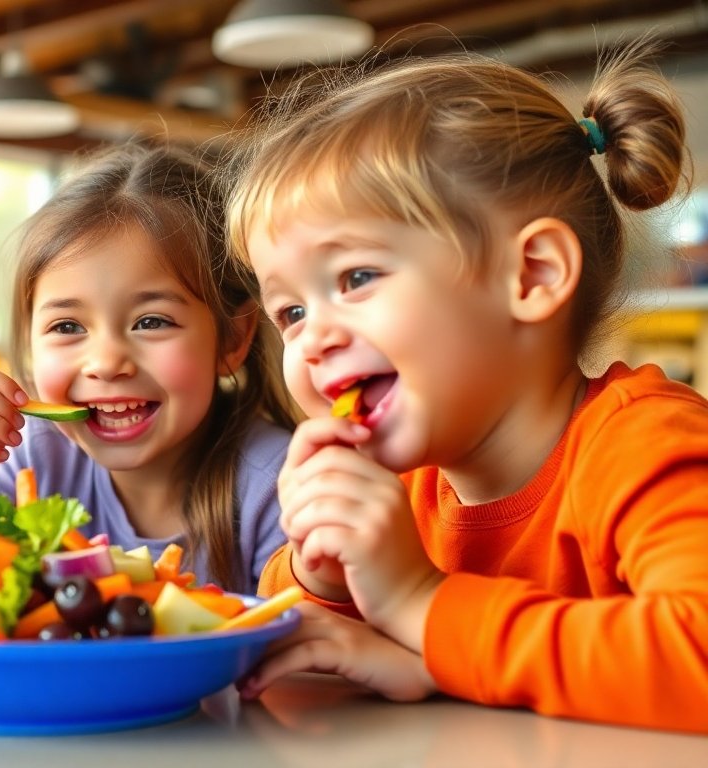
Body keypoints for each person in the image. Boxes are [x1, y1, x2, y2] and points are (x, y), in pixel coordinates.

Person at [228, 43, 708, 733]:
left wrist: (421, 605)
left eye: (356, 278)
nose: (311, 339)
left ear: (533, 275)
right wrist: (321, 573)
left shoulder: (643, 445)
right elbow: (304, 663)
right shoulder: (402, 488)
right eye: (291, 311)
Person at [0, 143, 299, 594]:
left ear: (232, 339)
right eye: (68, 326)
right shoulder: (28, 456)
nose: (106, 363)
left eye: (151, 322)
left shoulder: (280, 485)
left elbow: (311, 632)